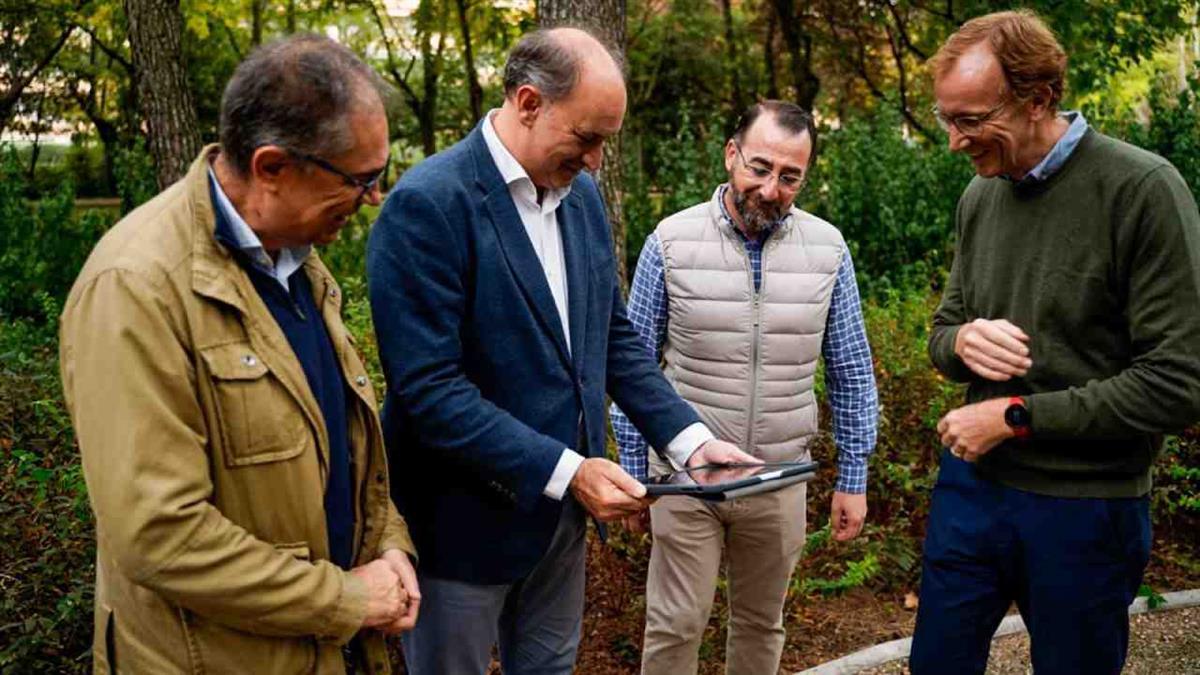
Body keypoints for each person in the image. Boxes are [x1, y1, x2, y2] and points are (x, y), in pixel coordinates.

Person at [366, 26, 755, 675]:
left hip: (560, 530)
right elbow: (429, 391)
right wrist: (570, 469)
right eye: (587, 138)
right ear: (527, 102)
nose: (598, 161)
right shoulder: (428, 206)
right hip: (459, 534)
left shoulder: (582, 199)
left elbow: (612, 338)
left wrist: (689, 441)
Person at [59, 35, 420, 674]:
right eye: (360, 180)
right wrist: (344, 599)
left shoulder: (298, 266)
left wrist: (389, 547)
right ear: (272, 167)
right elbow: (161, 535)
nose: (371, 199)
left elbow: (342, 448)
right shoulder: (137, 288)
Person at [911, 10, 1200, 674]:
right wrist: (963, 342)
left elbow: (1177, 382)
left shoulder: (1141, 190)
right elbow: (940, 332)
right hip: (971, 492)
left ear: (1039, 98)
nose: (956, 142)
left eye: (972, 120)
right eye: (946, 119)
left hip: (1086, 507)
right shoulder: (981, 196)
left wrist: (1015, 417)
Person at [610, 100, 879, 674]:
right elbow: (630, 366)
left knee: (761, 626)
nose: (772, 188)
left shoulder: (829, 250)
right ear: (732, 155)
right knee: (675, 624)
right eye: (759, 167)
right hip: (685, 481)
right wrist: (635, 472)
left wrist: (853, 476)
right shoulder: (670, 241)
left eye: (790, 176)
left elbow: (851, 367)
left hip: (779, 475)